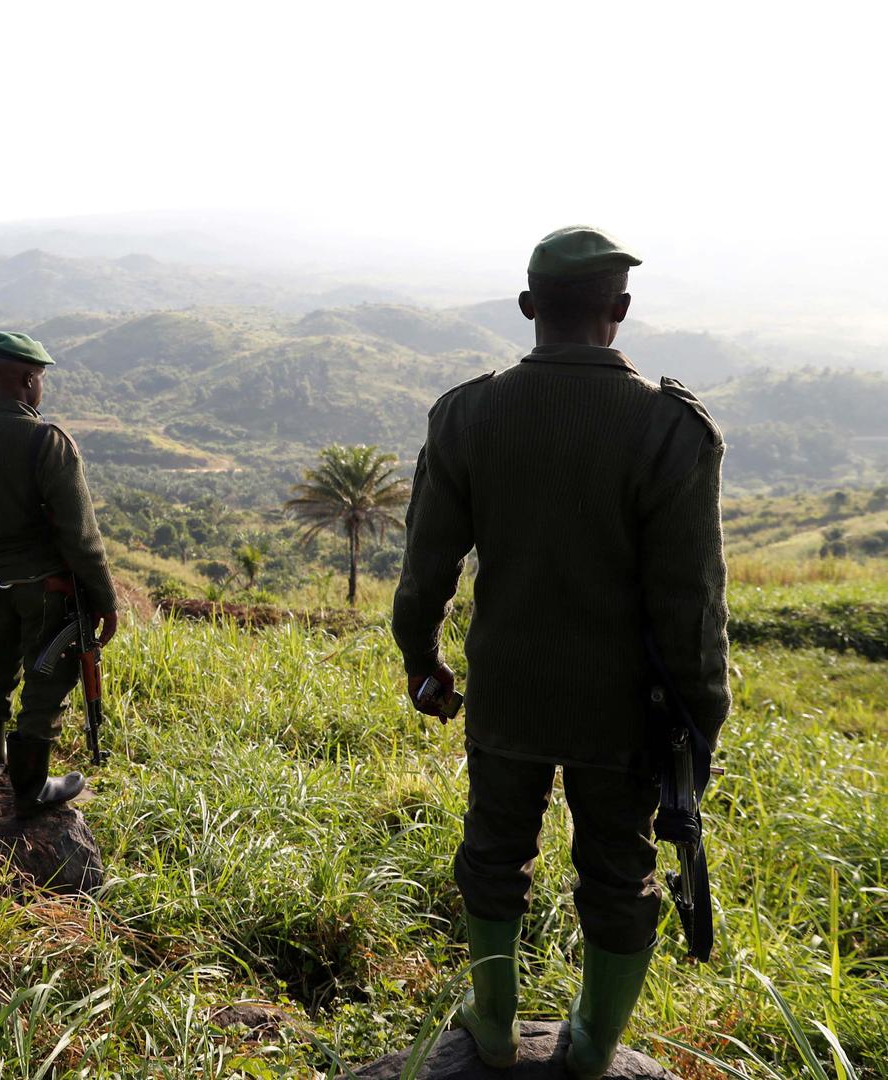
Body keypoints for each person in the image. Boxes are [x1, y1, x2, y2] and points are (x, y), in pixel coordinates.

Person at [391, 226, 730, 1076]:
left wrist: (421, 657)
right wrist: (702, 722)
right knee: (620, 871)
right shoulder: (670, 429)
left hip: (506, 689)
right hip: (628, 710)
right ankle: (592, 1046)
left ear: (528, 307)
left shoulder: (469, 412)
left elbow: (426, 562)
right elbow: (692, 605)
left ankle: (494, 1023)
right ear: (619, 312)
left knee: (492, 851)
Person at [0, 331, 120, 817]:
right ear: (30, 379)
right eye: (42, 380)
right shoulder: (49, 443)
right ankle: (31, 786)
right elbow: (82, 537)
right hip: (47, 589)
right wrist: (106, 599)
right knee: (47, 683)